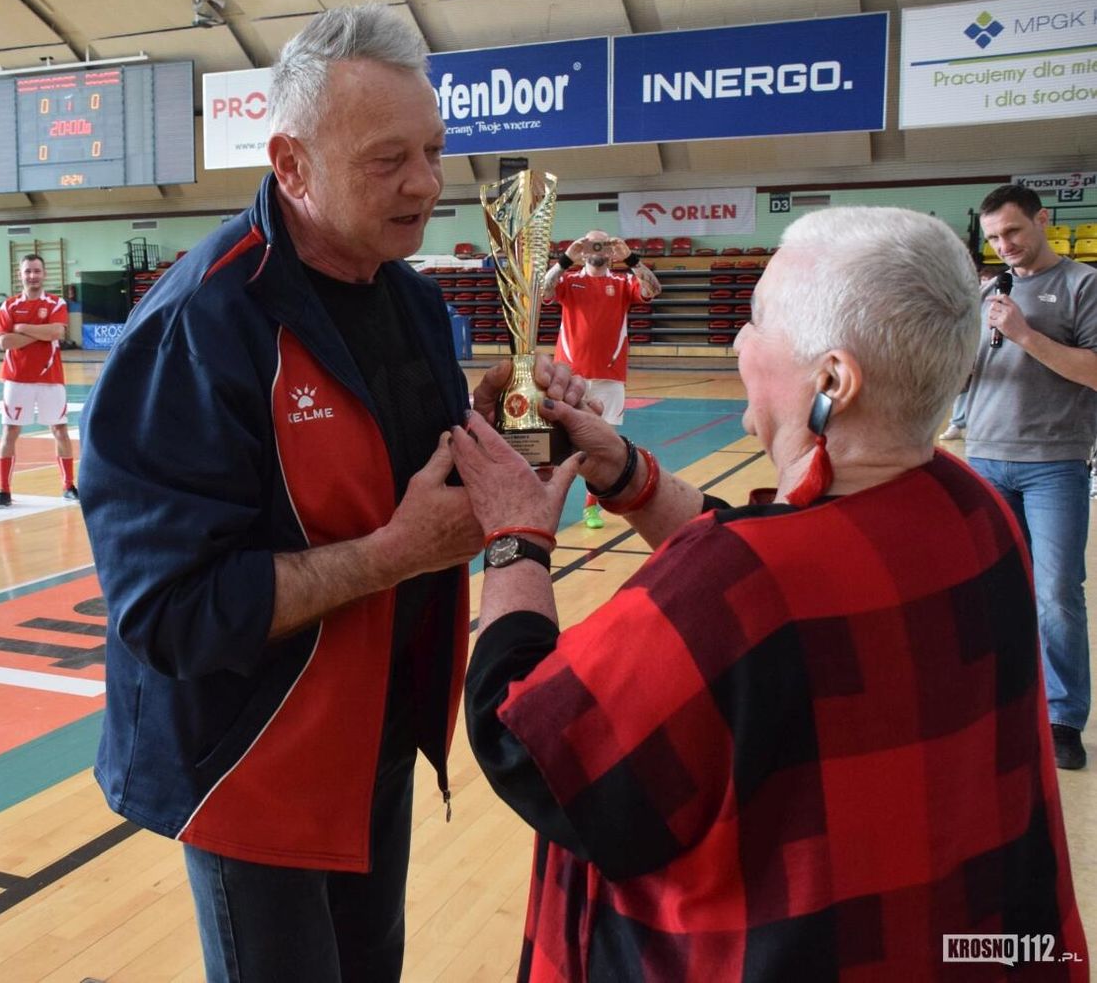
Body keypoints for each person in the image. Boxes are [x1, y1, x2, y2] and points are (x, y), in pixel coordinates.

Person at [79, 5, 586, 981]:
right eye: (388, 159)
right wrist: (394, 556)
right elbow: (169, 613)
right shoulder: (196, 330)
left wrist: (498, 417)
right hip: (251, 761)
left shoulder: (413, 300)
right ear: (292, 163)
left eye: (433, 152)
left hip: (375, 741)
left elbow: (411, 475)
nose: (426, 184)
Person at [455, 207, 1087, 980]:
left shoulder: (740, 585)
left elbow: (523, 739)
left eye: (756, 319)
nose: (737, 342)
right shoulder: (972, 505)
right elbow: (791, 559)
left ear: (832, 381)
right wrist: (625, 470)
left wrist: (515, 535)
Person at [967, 183, 1097, 771]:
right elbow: (971, 371)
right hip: (985, 457)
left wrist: (1025, 334)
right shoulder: (989, 290)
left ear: (1042, 220)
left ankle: (1063, 716)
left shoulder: (1082, 285)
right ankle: (1003, 698)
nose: (1004, 245)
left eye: (1013, 231)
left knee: (1057, 594)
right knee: (995, 589)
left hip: (1053, 463)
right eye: (994, 237)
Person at [542, 230, 660, 528]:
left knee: (602, 448)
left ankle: (591, 507)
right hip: (569, 376)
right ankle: (543, 501)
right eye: (591, 244)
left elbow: (654, 289)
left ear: (611, 252)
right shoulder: (569, 280)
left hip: (609, 378)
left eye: (604, 245)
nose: (597, 249)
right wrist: (565, 259)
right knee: (556, 443)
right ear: (582, 250)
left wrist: (630, 259)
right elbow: (542, 291)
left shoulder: (623, 283)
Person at [0, 253, 77, 507]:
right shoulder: (9, 306)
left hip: (50, 378)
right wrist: (41, 333)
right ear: (20, 274)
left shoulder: (56, 303)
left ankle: (68, 485)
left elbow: (57, 331)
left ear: (44, 274)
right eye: (28, 271)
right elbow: (5, 342)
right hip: (17, 379)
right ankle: (3, 490)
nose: (33, 276)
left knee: (59, 430)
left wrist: (22, 328)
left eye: (37, 271)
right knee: (10, 431)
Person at [939, 262, 999, 441]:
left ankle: (979, 427)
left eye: (988, 281)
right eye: (982, 280)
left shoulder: (1000, 305)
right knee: (963, 391)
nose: (984, 284)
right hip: (970, 354)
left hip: (990, 356)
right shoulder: (970, 302)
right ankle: (956, 424)